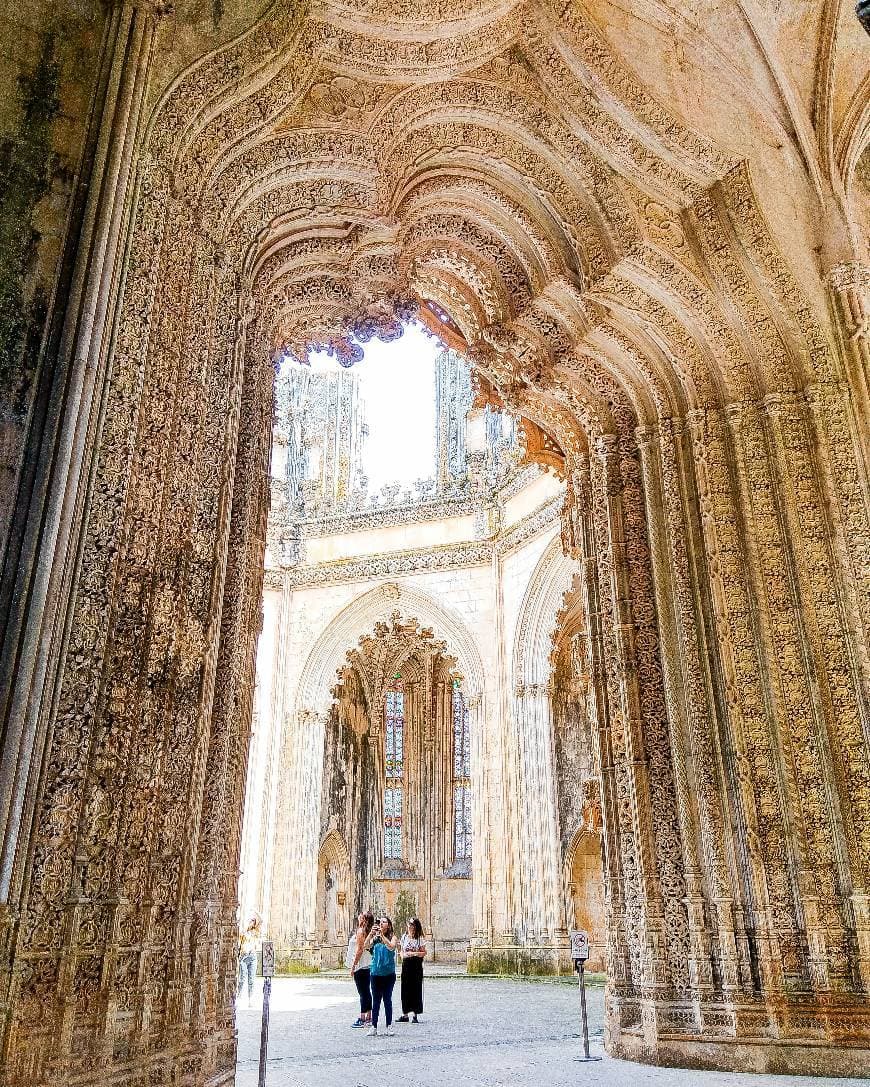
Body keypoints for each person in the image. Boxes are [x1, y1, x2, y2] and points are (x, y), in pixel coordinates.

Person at [365, 915, 398, 1037]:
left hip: (388, 974)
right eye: (380, 922)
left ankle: (389, 1026)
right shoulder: (375, 939)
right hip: (375, 973)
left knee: (387, 1000)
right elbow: (365, 946)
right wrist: (370, 934)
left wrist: (382, 936)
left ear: (388, 925)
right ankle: (374, 1026)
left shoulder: (392, 937)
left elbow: (391, 946)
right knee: (376, 1001)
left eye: (384, 922)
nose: (381, 924)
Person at [347, 911, 375, 1027]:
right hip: (368, 964)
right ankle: (369, 1016)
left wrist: (354, 965)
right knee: (366, 991)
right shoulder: (369, 932)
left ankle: (362, 1018)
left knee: (363, 992)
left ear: (363, 919)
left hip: (361, 965)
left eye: (361, 915)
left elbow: (359, 950)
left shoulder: (360, 931)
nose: (358, 916)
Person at [397, 916, 426, 1022]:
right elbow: (401, 950)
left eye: (412, 924)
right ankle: (405, 1014)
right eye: (409, 924)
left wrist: (413, 953)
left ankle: (415, 1014)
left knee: (416, 988)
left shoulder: (419, 938)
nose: (410, 926)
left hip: (416, 965)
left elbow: (423, 952)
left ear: (416, 926)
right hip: (406, 964)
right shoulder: (404, 937)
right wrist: (402, 955)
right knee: (405, 989)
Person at [237, 915, 261, 1007]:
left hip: (252, 956)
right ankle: (238, 997)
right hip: (244, 956)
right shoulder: (243, 932)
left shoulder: (255, 932)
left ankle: (251, 999)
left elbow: (261, 920)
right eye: (251, 921)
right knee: (242, 978)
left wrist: (255, 911)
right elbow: (239, 942)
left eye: (253, 921)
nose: (252, 923)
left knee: (251, 980)